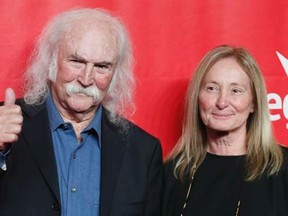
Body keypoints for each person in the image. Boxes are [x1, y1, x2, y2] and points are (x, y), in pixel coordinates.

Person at [0, 8, 163, 216]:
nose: (86, 79)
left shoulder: (143, 151)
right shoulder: (5, 122)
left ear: (115, 75)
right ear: (51, 62)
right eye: (76, 62)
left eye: (102, 66)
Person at [162, 45, 288, 216]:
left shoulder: (282, 168)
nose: (222, 102)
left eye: (236, 91)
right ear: (197, 97)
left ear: (253, 103)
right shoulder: (172, 172)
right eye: (212, 88)